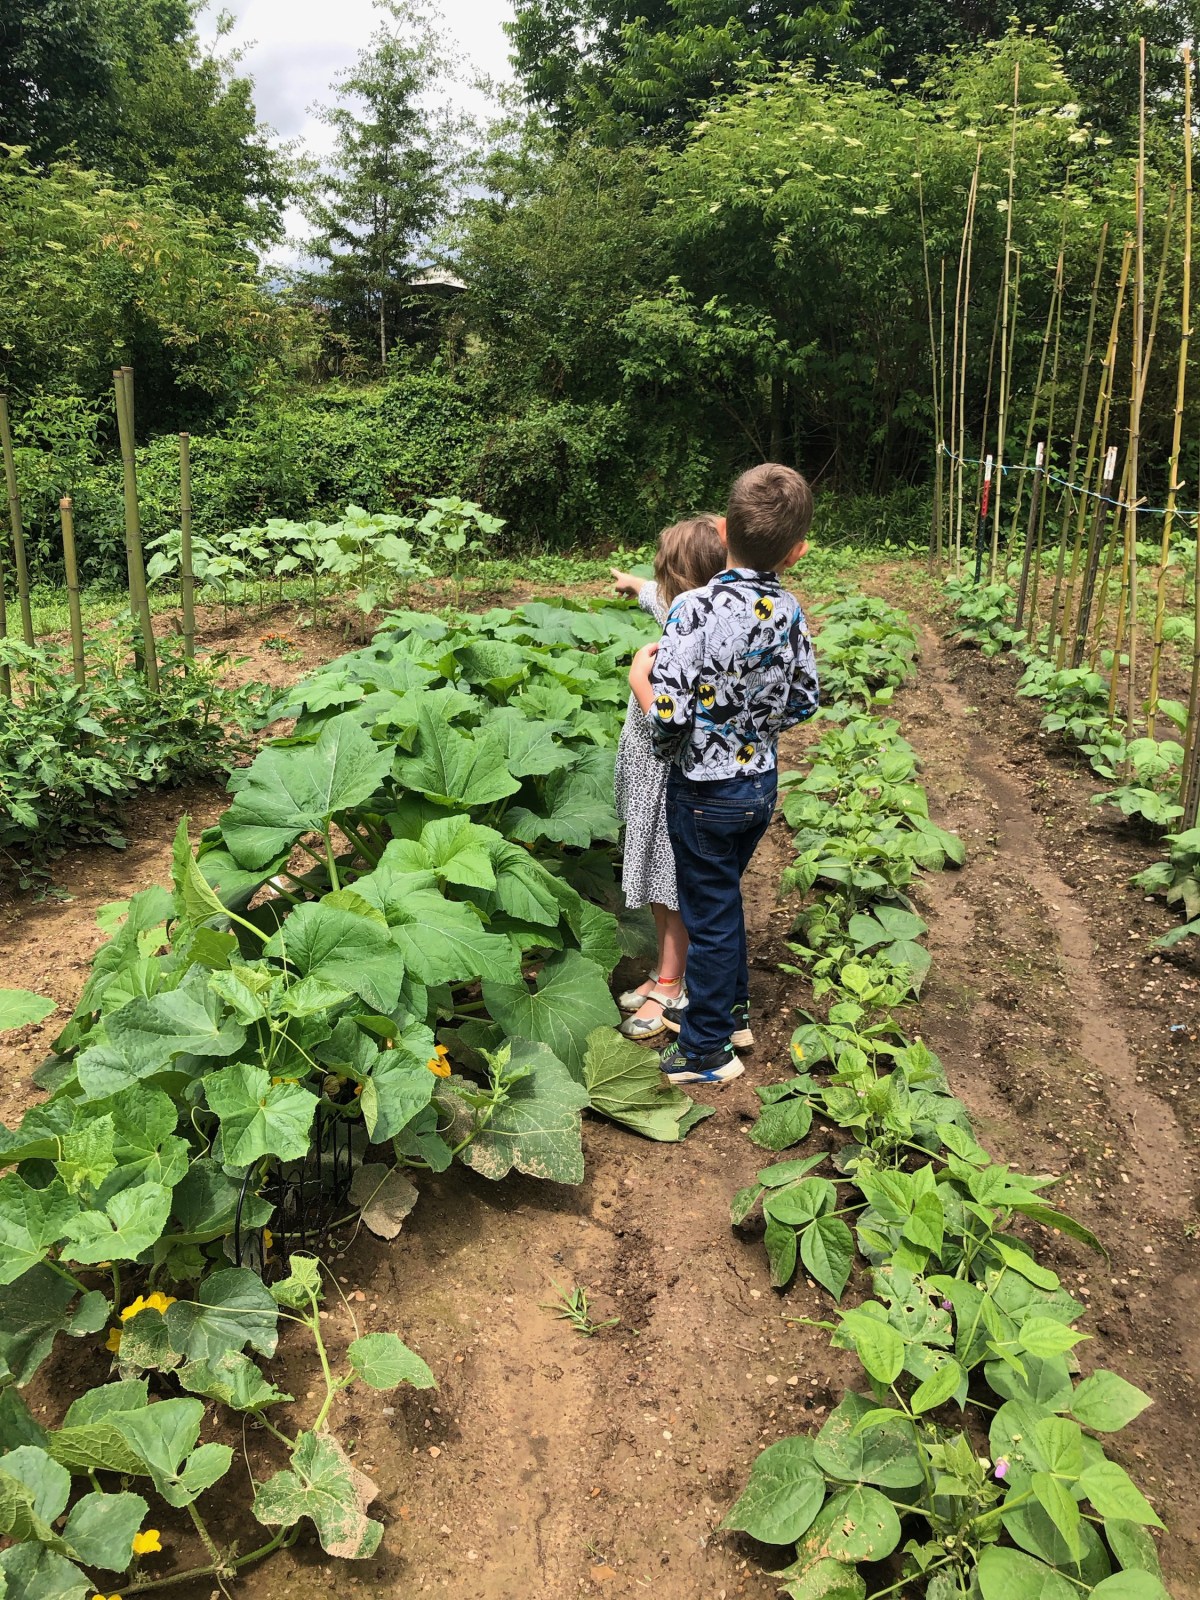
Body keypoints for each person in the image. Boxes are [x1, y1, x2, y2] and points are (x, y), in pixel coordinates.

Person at [628, 463, 819, 1084]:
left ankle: (707, 1049)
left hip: (702, 791)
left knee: (708, 918)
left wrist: (645, 694)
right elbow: (805, 700)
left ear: (722, 529)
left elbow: (671, 717)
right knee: (722, 902)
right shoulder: (789, 610)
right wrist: (752, 727)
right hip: (759, 785)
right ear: (796, 552)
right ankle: (733, 1015)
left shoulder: (691, 608)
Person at [610, 515, 727, 1040]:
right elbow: (658, 601)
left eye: (660, 576)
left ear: (677, 580)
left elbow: (672, 724)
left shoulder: (692, 641)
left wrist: (639, 680)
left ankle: (672, 985)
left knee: (669, 883)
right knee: (660, 887)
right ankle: (664, 970)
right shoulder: (688, 611)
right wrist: (632, 584)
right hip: (649, 780)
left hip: (668, 781)